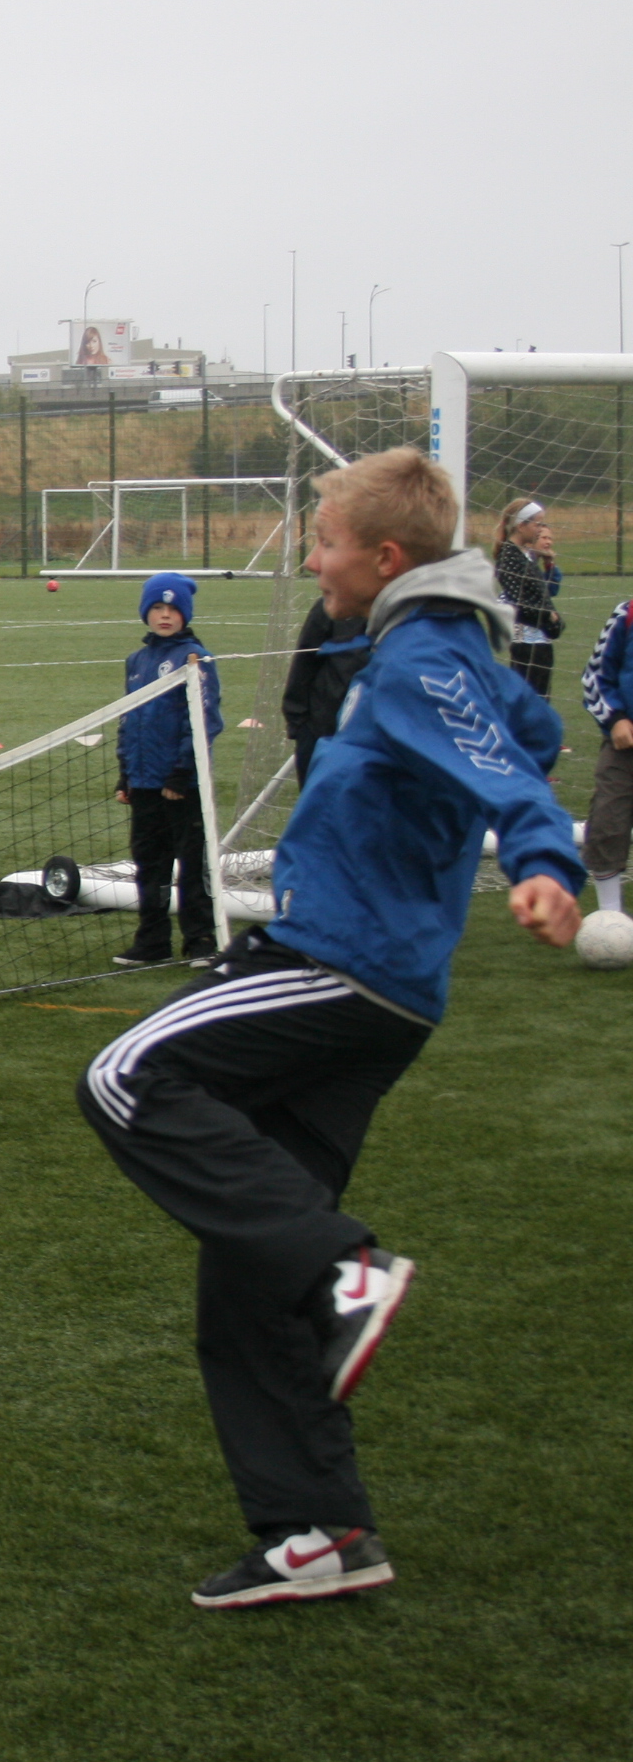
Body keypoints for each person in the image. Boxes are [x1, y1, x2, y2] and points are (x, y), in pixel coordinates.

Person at [76, 448, 582, 1610]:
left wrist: (544, 860)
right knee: (244, 1278)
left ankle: (342, 1271)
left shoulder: (420, 658)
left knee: (122, 1075)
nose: (310, 561)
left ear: (384, 557)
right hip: (381, 984)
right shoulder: (433, 651)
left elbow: (512, 774)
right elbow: (529, 730)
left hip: (339, 961)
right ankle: (319, 1528)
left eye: (323, 543)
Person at [111, 573, 223, 967]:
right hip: (143, 782)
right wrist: (126, 772)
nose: (164, 615)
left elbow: (205, 720)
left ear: (184, 615)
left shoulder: (195, 658)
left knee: (191, 865)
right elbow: (128, 719)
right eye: (157, 607)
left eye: (173, 609)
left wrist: (182, 772)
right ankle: (152, 941)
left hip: (181, 784)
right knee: (149, 864)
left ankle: (201, 940)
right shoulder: (137, 661)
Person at [279, 596, 368, 786]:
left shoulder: (411, 611)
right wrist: (298, 723)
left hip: (382, 736)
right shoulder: (334, 603)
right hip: (324, 728)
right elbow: (305, 661)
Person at [581, 594, 632, 915]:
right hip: (625, 747)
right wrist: (615, 719)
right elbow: (595, 675)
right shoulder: (627, 614)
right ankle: (610, 915)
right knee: (607, 822)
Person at [493, 498, 563, 701]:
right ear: (521, 525)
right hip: (527, 641)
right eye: (537, 524)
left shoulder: (524, 554)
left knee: (540, 698)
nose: (540, 530)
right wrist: (549, 616)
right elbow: (520, 602)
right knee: (530, 701)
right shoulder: (509, 556)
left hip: (540, 639)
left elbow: (542, 592)